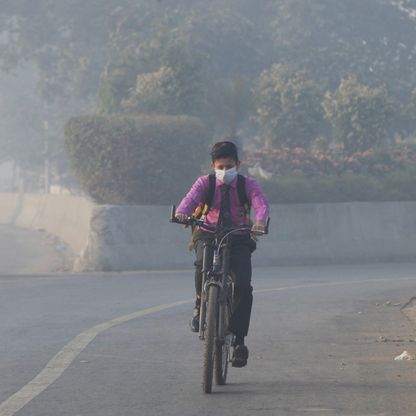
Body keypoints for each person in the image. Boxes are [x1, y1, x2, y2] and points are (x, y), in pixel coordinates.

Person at [175, 140, 270, 368]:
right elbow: (189, 201)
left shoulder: (247, 185)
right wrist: (181, 213)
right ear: (213, 166)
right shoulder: (204, 183)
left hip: (238, 236)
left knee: (244, 286)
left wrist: (259, 222)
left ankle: (238, 341)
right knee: (201, 264)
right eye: (220, 167)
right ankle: (200, 306)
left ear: (238, 164)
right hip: (208, 232)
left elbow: (261, 204)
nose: (225, 171)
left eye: (229, 166)